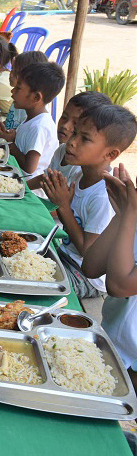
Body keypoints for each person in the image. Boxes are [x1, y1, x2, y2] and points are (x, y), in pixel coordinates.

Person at [42, 105, 136, 298]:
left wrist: (64, 207)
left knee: (35, 282)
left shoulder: (103, 195)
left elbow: (87, 251)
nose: (72, 142)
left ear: (111, 155)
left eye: (84, 139)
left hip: (85, 277)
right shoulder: (78, 173)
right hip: (64, 255)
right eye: (75, 133)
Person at [84, 149, 137, 376]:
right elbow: (91, 268)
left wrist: (129, 215)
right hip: (112, 344)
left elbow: (118, 286)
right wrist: (120, 216)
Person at [27, 91, 112, 192]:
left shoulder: (81, 167)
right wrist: (21, 187)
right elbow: (45, 178)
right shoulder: (62, 150)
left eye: (75, 123)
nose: (65, 126)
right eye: (64, 117)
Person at [7, 62, 65, 180]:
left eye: (18, 88)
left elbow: (29, 167)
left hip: (30, 190)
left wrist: (11, 144)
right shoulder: (31, 118)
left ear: (36, 97)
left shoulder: (40, 126)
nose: (12, 92)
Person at [0, 50, 49, 139]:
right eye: (11, 69)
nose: (11, 74)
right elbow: (12, 123)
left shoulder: (31, 107)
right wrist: (0, 127)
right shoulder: (18, 99)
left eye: (15, 72)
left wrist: (10, 137)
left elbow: (25, 135)